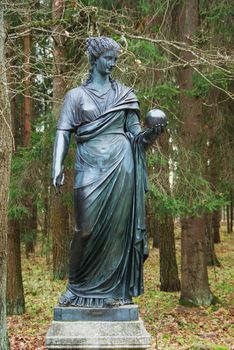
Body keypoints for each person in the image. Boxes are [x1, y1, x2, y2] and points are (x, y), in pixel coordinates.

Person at [52, 36, 165, 307]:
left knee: (117, 231)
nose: (112, 64)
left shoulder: (125, 95)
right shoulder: (75, 96)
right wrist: (56, 166)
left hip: (122, 166)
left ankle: (116, 291)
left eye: (115, 59)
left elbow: (136, 137)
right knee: (85, 229)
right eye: (108, 59)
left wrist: (152, 133)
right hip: (88, 166)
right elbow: (63, 132)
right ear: (95, 59)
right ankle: (76, 287)